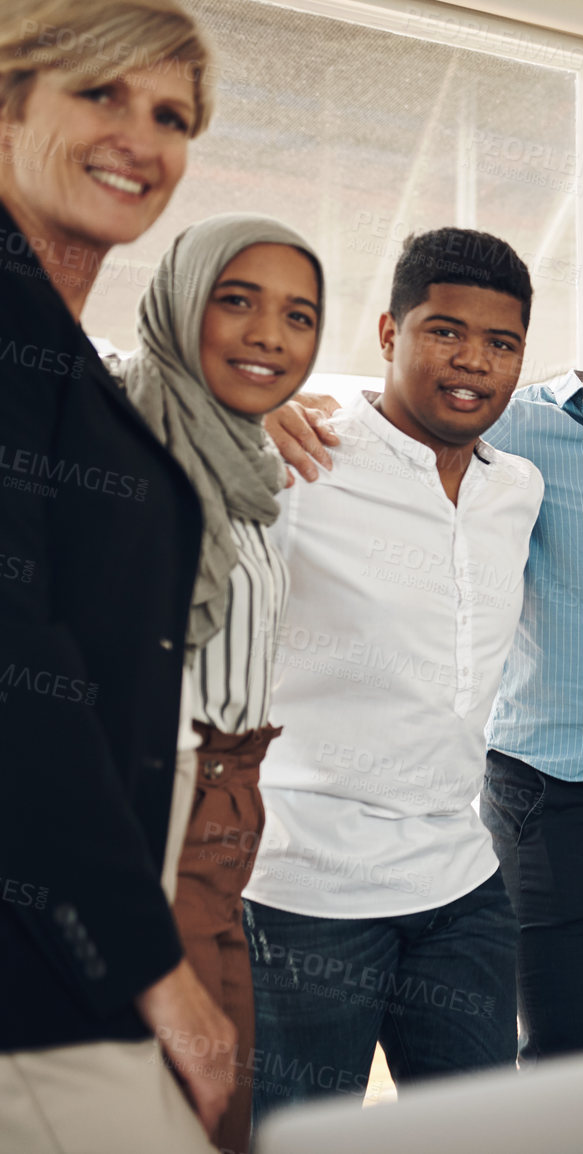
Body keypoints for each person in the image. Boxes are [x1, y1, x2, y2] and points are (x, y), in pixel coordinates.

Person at [266, 234, 583, 1060]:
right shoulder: (515, 428)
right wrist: (268, 406)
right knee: (566, 1054)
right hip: (545, 796)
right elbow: (402, 419)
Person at [0, 3, 236, 1149]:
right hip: (38, 978)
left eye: (172, 115)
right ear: (9, 103)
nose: (141, 137)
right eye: (101, 95)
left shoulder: (50, 340)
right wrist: (156, 975)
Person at [244, 228, 541, 1122]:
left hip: (460, 885)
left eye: (501, 343)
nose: (473, 363)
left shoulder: (517, 487)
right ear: (387, 334)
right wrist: (231, 407)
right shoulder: (299, 459)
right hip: (307, 889)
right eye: (445, 332)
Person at [116, 213, 324, 1154]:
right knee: (185, 1108)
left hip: (234, 823)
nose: (269, 336)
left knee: (223, 1111)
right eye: (235, 301)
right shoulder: (124, 444)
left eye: (298, 315)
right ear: (180, 302)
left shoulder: (247, 460)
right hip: (155, 821)